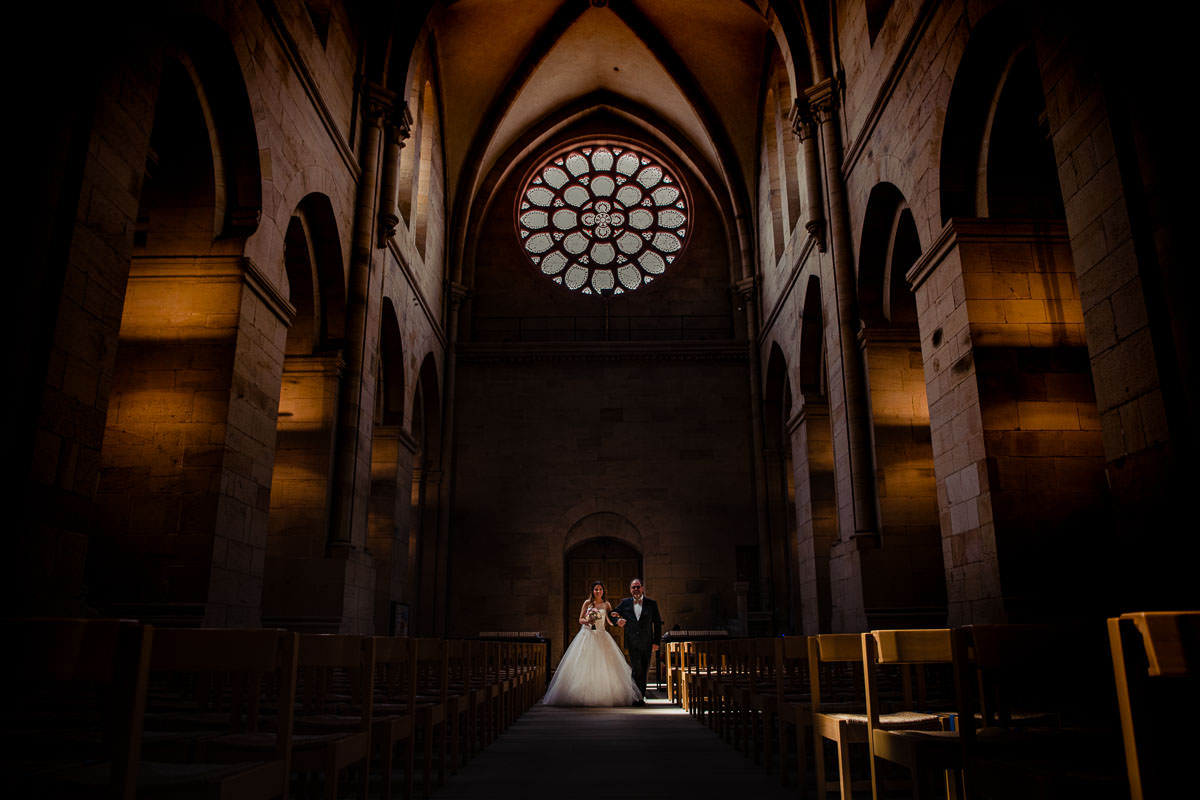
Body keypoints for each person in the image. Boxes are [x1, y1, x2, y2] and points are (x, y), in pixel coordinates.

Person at [541, 580, 641, 707]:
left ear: (603, 591)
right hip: (587, 634)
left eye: (600, 589)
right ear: (592, 591)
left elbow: (609, 620)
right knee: (583, 663)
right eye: (596, 589)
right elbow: (580, 619)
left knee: (605, 664)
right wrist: (588, 620)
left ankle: (605, 694)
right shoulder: (587, 603)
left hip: (601, 634)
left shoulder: (606, 604)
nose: (598, 591)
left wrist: (618, 622)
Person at [611, 578, 663, 705]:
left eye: (638, 587)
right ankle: (636, 696)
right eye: (633, 587)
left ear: (642, 588)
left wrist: (656, 642)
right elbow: (612, 614)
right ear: (630, 590)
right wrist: (617, 621)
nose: (636, 589)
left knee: (644, 669)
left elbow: (657, 623)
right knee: (636, 669)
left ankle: (641, 696)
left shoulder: (651, 603)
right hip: (632, 642)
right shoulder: (625, 603)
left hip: (647, 642)